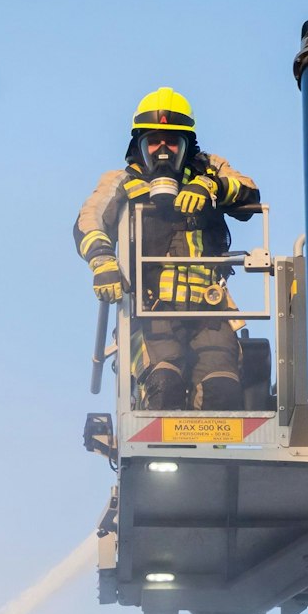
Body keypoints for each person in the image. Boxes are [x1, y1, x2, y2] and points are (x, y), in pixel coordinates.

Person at [73, 87, 261, 411]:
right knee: (165, 384)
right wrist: (103, 261)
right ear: (140, 145)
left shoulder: (210, 169)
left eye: (172, 141)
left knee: (223, 391)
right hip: (150, 311)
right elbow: (88, 221)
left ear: (187, 145)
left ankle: (213, 460)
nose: (163, 150)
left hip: (209, 310)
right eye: (154, 141)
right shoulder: (120, 181)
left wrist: (211, 186)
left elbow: (250, 194)